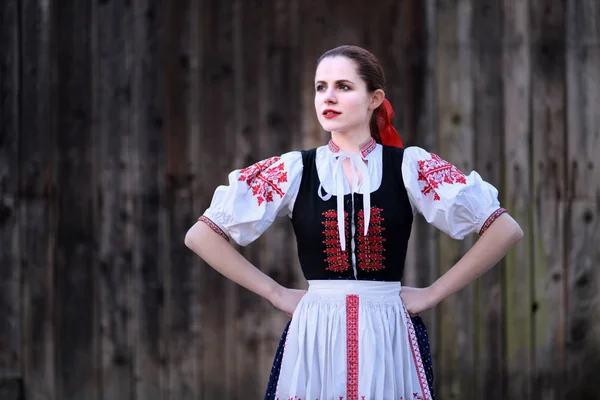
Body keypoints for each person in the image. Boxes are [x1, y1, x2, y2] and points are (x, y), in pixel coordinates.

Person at [184, 45, 523, 400]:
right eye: (320, 87)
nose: (328, 97)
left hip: (387, 328)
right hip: (316, 331)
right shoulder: (295, 170)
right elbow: (202, 236)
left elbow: (504, 230)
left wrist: (433, 294)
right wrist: (276, 293)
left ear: (374, 98)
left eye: (343, 87)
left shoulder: (408, 166)